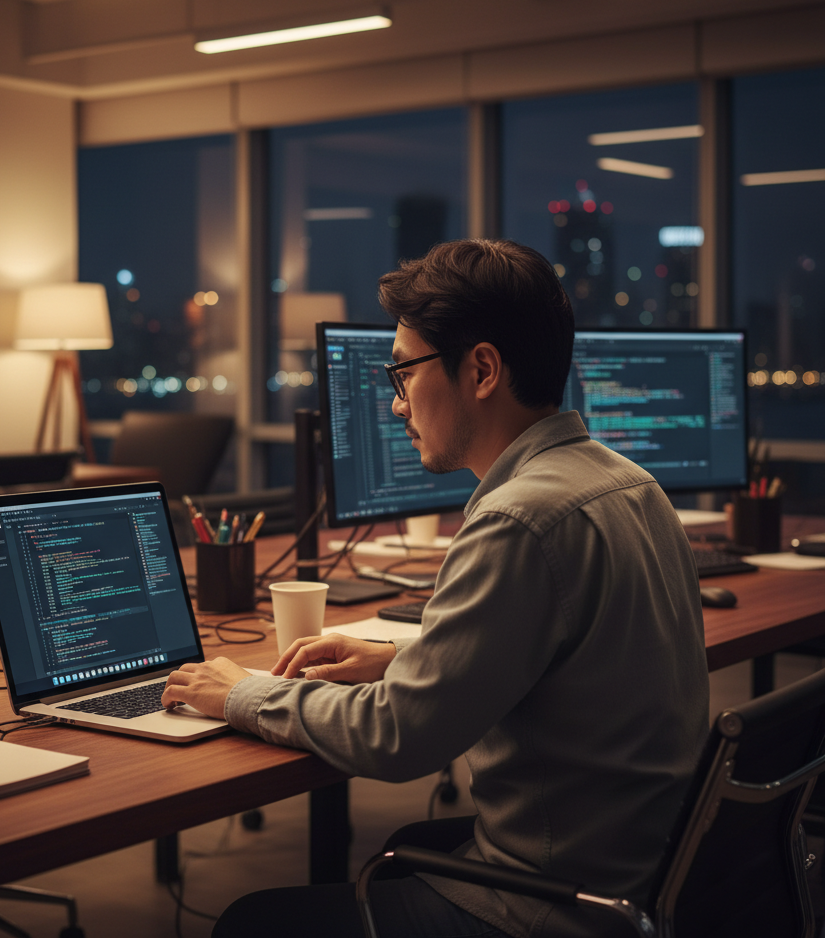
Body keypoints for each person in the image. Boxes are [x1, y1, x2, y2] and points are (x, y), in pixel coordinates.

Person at [161, 238, 708, 938]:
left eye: (404, 373)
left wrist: (237, 692)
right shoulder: (630, 484)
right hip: (646, 875)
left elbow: (396, 738)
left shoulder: (519, 518)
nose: (395, 406)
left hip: (552, 906)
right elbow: (581, 663)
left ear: (481, 370)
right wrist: (406, 663)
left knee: (253, 921)